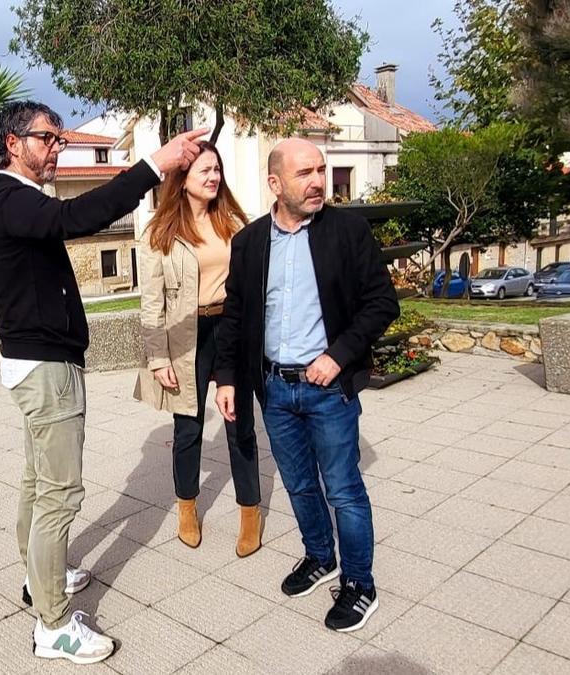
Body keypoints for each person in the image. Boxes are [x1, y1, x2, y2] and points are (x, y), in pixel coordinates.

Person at [0, 100, 206, 665]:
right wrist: (155, 165)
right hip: (46, 370)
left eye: (59, 139)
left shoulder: (2, 202)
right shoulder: (9, 200)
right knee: (59, 494)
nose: (56, 149)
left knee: (38, 480)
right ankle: (51, 626)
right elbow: (77, 219)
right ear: (13, 143)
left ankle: (39, 576)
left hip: (37, 363)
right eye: (47, 139)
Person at [214, 138, 398, 633]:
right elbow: (235, 317)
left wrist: (338, 356)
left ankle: (360, 584)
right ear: (275, 183)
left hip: (328, 390)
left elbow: (382, 304)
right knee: (298, 484)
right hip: (275, 389)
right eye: (304, 173)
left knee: (342, 489)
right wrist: (227, 377)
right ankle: (320, 556)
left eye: (321, 170)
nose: (318, 181)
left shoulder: (348, 231)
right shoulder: (249, 243)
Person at [133, 142, 262, 557]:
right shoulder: (160, 232)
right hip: (185, 334)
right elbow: (151, 302)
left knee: (238, 424)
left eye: (217, 169)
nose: (213, 177)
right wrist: (157, 357)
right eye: (204, 170)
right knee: (188, 429)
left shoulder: (235, 224)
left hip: (231, 327)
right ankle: (186, 508)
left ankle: (249, 512)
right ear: (181, 179)